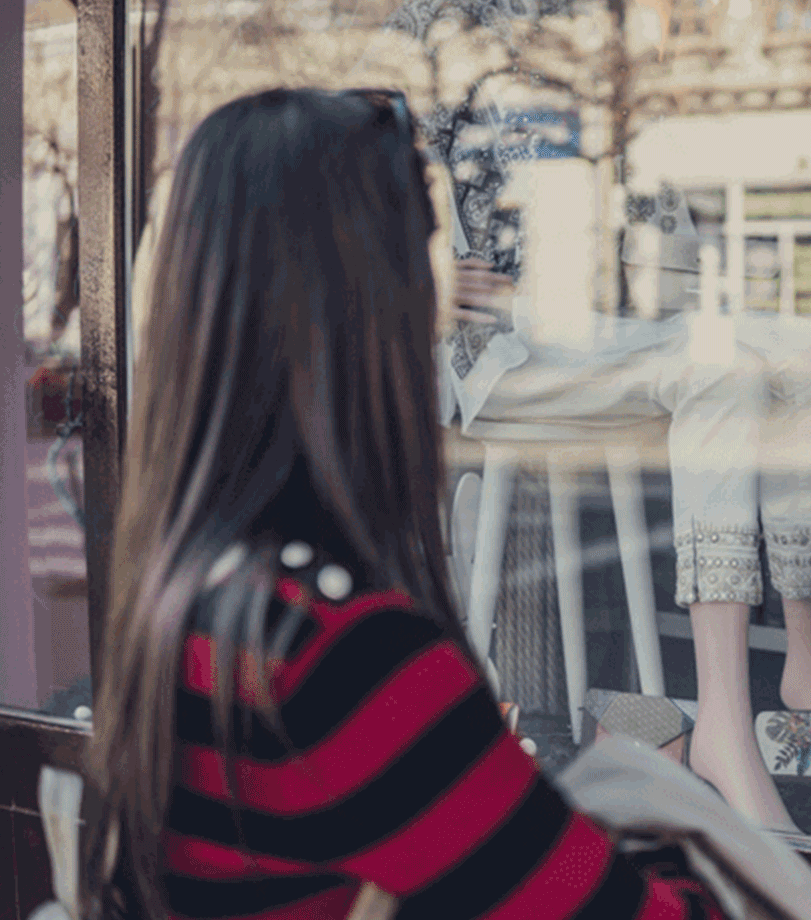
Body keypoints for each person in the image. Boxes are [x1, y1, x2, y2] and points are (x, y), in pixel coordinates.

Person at [81, 88, 739, 920]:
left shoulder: (188, 591)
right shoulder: (344, 656)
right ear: (372, 305)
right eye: (429, 257)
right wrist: (653, 821)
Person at [441, 198, 811, 833]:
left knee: (809, 346)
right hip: (504, 348)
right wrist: (427, 278)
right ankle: (724, 718)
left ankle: (810, 658)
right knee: (725, 370)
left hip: (608, 319)